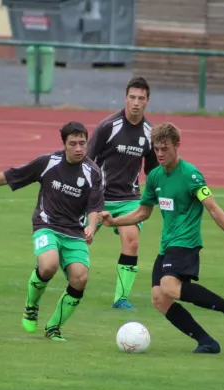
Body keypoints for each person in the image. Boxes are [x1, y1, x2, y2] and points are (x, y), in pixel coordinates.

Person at [100, 122, 224, 354]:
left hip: (186, 243)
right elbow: (143, 212)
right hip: (167, 245)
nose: (160, 154)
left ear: (177, 145)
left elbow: (213, 208)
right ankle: (207, 342)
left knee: (169, 286)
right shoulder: (155, 177)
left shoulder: (191, 175)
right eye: (157, 149)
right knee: (159, 300)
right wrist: (114, 221)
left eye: (165, 149)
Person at [0, 121, 104, 341]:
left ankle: (53, 327)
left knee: (80, 278)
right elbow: (12, 175)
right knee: (48, 265)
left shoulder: (92, 172)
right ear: (64, 144)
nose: (78, 148)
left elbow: (95, 207)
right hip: (47, 225)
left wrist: (91, 227)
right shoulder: (48, 162)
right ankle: (31, 305)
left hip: (74, 232)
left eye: (82, 143)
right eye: (72, 143)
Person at [86, 76, 159, 310]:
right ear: (125, 98)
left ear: (148, 101)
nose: (136, 102)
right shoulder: (109, 126)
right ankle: (72, 277)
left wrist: (159, 191)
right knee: (81, 240)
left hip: (129, 199)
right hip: (100, 198)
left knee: (131, 241)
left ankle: (121, 298)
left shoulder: (150, 132)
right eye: (132, 97)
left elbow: (152, 169)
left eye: (141, 98)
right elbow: (87, 159)